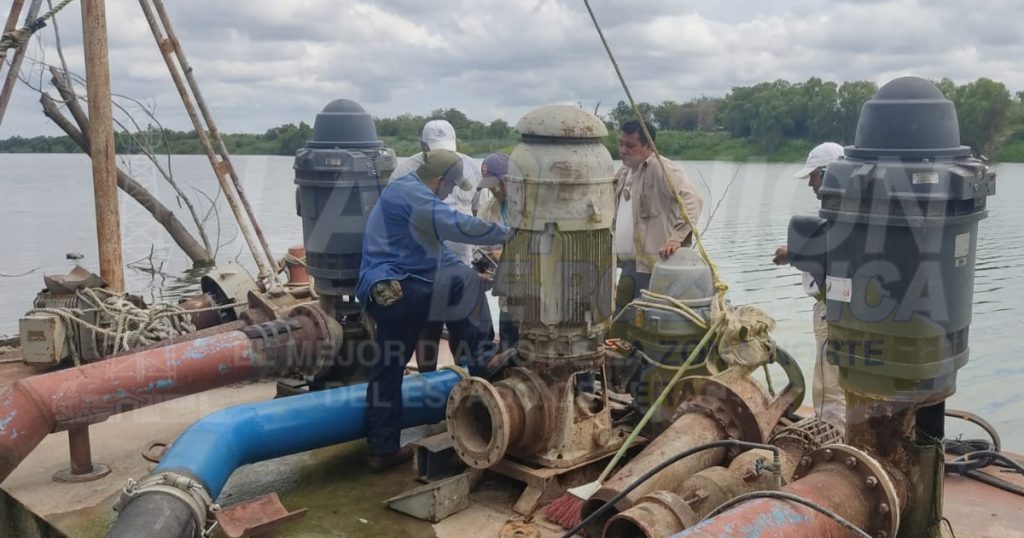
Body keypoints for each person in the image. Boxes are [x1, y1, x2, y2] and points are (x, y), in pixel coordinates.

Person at [356, 149, 510, 472]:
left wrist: (474, 278)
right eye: (449, 187)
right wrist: (509, 234)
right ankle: (482, 359)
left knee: (388, 366)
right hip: (398, 289)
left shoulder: (407, 194)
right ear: (439, 181)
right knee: (462, 284)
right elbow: (455, 225)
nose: (449, 194)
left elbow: (439, 255)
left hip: (388, 291)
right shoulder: (410, 193)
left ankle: (381, 449)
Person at [390, 119, 483, 373]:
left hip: (460, 263)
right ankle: (426, 381)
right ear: (423, 147)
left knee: (462, 327)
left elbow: (475, 208)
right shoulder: (404, 173)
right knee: (427, 327)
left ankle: (463, 379)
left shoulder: (471, 168)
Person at [772, 141, 847, 429]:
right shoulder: (848, 213)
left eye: (814, 176)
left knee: (829, 384)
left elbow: (832, 252)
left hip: (833, 310)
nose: (811, 184)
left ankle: (832, 438)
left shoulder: (839, 215)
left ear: (829, 174)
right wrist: (794, 254)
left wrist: (791, 254)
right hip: (849, 310)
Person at [613, 120, 704, 311]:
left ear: (648, 146)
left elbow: (693, 200)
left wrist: (676, 239)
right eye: (621, 144)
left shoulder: (663, 169)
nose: (623, 150)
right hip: (628, 265)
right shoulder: (623, 171)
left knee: (646, 321)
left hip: (653, 267)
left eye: (630, 146)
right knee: (622, 319)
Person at [476, 152, 518, 351]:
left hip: (536, 294)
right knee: (508, 345)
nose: (494, 190)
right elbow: (480, 249)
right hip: (507, 294)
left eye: (497, 184)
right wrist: (481, 268)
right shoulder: (487, 211)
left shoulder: (534, 206)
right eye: (489, 186)